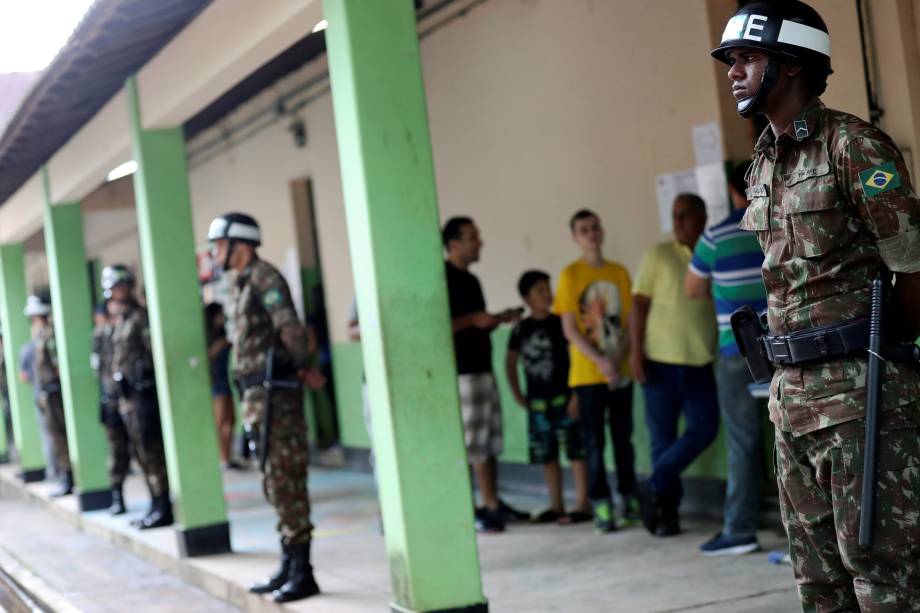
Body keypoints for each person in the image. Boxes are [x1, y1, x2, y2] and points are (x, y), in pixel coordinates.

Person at [712, 1, 920, 608]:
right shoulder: (763, 163)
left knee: (883, 576)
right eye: (731, 60)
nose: (733, 71)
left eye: (747, 58)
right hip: (791, 399)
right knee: (818, 582)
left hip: (863, 396)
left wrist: (896, 363)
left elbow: (911, 268)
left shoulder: (853, 147)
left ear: (793, 65)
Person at [208, 212, 325, 603]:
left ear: (239, 245)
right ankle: (289, 563)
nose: (215, 253)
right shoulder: (241, 284)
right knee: (274, 479)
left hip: (276, 395)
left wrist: (302, 366)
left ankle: (303, 571)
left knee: (286, 477)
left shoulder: (263, 277)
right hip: (258, 398)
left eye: (220, 246)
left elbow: (289, 328)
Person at [685, 162, 768, 555]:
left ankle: (739, 529)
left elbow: (692, 289)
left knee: (742, 440)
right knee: (800, 435)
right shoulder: (776, 220)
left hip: (737, 351)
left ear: (735, 191)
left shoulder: (716, 235)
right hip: (785, 346)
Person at [630, 195, 719, 537]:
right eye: (674, 216)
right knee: (662, 440)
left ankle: (654, 482)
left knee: (705, 429)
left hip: (700, 362)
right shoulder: (658, 255)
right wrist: (635, 353)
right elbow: (638, 305)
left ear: (702, 217)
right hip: (659, 363)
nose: (678, 222)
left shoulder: (710, 253)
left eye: (685, 215)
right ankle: (668, 514)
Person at [554, 209, 638, 533]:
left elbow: (630, 322)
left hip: (619, 372)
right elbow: (570, 329)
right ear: (575, 237)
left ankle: (628, 497)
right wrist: (600, 361)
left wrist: (616, 359)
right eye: (583, 230)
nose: (590, 233)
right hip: (588, 376)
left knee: (623, 439)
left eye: (594, 228)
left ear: (601, 231)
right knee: (594, 443)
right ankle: (600, 503)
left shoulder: (619, 272)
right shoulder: (569, 275)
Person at [442, 216, 526, 534]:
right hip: (463, 373)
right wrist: (473, 320)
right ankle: (471, 508)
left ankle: (493, 502)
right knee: (471, 445)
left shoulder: (471, 280)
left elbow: (477, 322)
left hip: (483, 368)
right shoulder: (443, 279)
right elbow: (441, 327)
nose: (480, 242)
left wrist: (495, 319)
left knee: (490, 442)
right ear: (454, 244)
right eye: (473, 237)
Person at [506, 270, 590, 524]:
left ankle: (582, 502)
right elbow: (510, 363)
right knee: (547, 454)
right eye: (540, 291)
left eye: (548, 288)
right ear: (526, 298)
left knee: (575, 450)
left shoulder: (560, 323)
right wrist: (518, 394)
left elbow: (576, 358)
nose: (547, 294)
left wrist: (576, 394)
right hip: (538, 402)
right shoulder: (521, 330)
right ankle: (556, 504)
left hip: (564, 399)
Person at [104, 265, 172, 530]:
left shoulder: (139, 317)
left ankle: (163, 505)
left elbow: (152, 352)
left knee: (152, 452)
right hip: (127, 400)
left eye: (119, 287)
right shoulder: (121, 320)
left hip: (143, 396)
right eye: (112, 289)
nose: (115, 293)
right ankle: (154, 503)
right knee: (140, 454)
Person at [25, 294, 72, 497]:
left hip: (54, 394)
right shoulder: (40, 335)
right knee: (55, 436)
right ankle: (65, 476)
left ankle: (69, 477)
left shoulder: (49, 335)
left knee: (60, 436)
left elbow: (57, 366)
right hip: (46, 393)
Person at [91, 302, 131, 515]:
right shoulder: (100, 336)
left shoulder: (128, 328)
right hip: (111, 400)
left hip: (131, 399)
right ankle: (117, 497)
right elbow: (98, 368)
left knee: (145, 452)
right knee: (116, 452)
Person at [204, 303, 238, 470]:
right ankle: (223, 458)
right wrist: (219, 346)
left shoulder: (221, 334)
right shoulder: (209, 337)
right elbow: (206, 359)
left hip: (225, 381)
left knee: (230, 420)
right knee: (221, 421)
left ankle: (228, 456)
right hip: (216, 383)